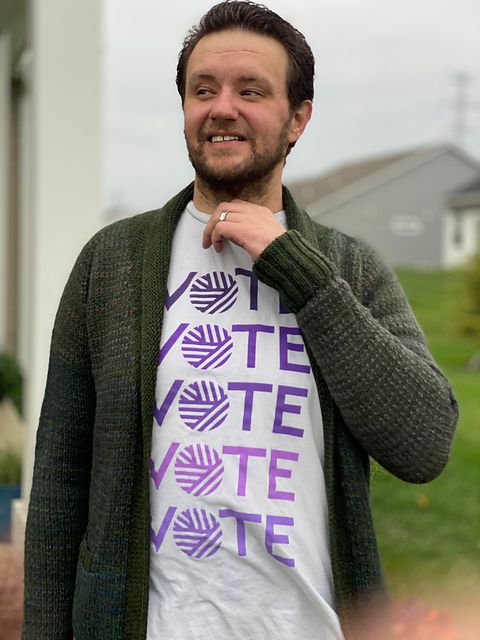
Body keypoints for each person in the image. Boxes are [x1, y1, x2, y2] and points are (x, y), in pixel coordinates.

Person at [23, 2, 458, 639]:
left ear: (297, 119)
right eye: (203, 91)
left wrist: (295, 267)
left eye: (251, 91)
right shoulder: (110, 264)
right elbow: (59, 485)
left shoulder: (348, 269)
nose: (222, 108)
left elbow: (424, 444)